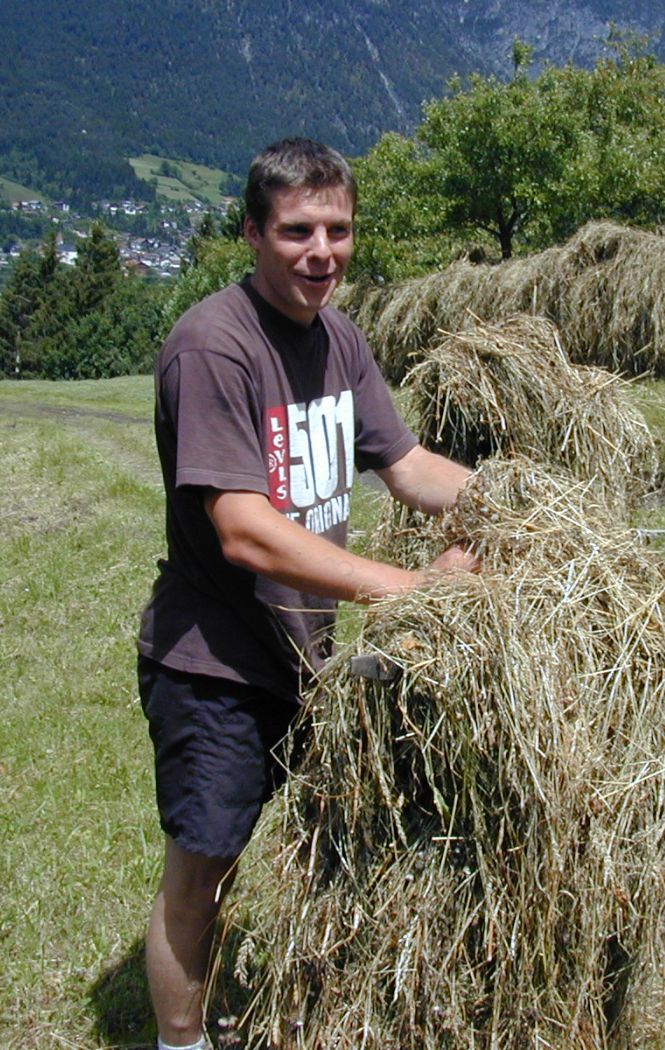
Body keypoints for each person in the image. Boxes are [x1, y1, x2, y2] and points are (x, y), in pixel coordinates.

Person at [135, 137, 478, 1050]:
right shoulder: (215, 346)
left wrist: (511, 503)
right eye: (296, 232)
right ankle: (182, 1041)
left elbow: (405, 467)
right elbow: (242, 528)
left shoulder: (338, 338)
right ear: (251, 233)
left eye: (338, 229)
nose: (321, 252)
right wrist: (405, 588)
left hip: (305, 658)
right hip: (217, 666)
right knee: (204, 870)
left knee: (330, 836)